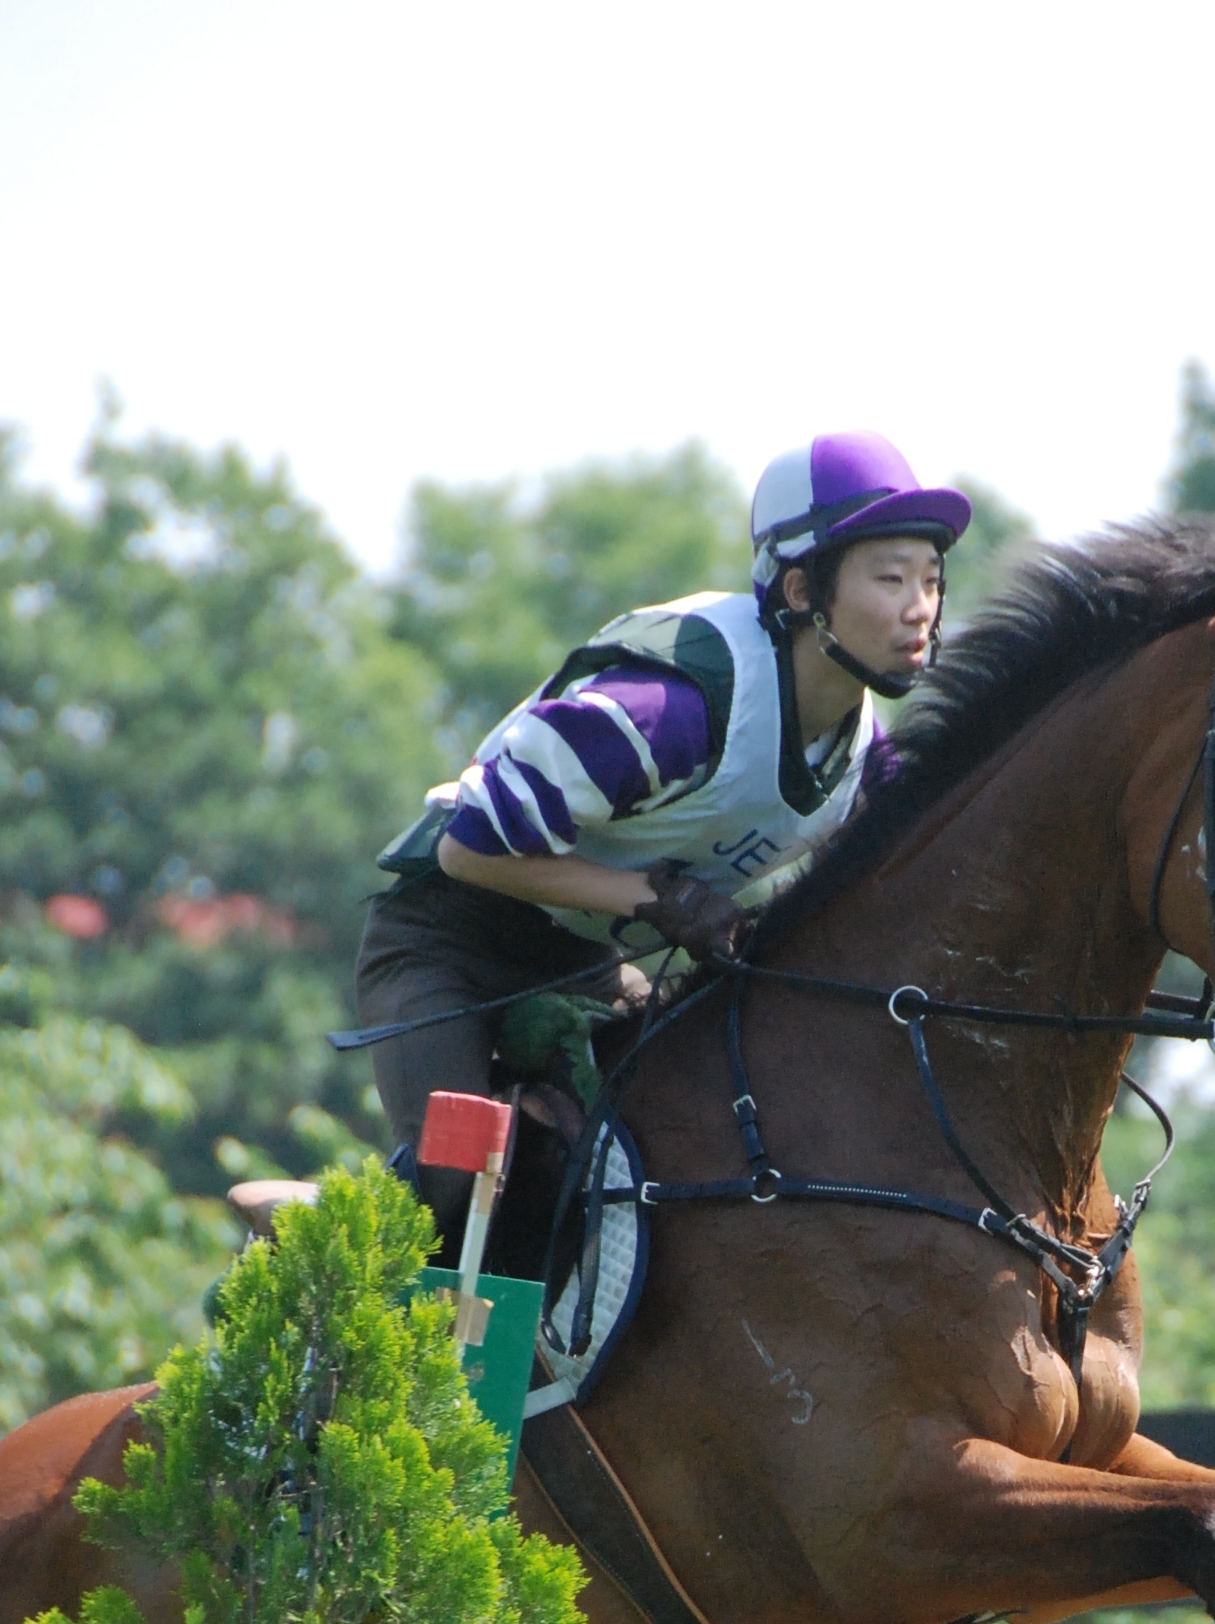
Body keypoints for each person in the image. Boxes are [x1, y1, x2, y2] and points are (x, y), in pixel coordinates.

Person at [351, 431, 971, 1232]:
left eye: (931, 578)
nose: (919, 606)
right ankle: (316, 1248)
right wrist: (659, 898)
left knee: (691, 1143)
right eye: (890, 578)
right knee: (460, 1177)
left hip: (582, 962)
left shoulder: (862, 763)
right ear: (799, 591)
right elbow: (467, 849)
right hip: (446, 941)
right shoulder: (673, 709)